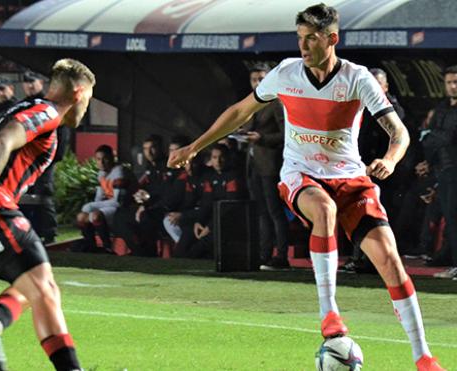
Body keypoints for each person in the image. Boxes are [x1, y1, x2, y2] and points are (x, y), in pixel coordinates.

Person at [167, 4, 444, 370]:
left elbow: (400, 132)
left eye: (311, 38)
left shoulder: (357, 78)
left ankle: (423, 357)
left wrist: (391, 160)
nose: (304, 45)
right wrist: (194, 147)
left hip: (351, 180)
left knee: (391, 263)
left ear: (332, 39)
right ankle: (329, 314)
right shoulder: (286, 73)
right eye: (300, 37)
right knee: (324, 211)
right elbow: (239, 112)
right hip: (302, 176)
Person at [0, 58, 95, 371]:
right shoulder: (47, 112)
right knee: (45, 289)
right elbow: (1, 142)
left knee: (32, 284)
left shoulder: (23, 111)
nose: (87, 106)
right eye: (90, 99)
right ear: (79, 93)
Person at [241, 63, 290, 269]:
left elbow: (286, 133)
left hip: (271, 164)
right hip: (253, 164)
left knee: (274, 212)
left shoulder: (276, 102)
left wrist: (262, 138)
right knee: (262, 211)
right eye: (254, 79)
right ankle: (264, 254)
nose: (258, 83)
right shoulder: (251, 102)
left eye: (262, 78)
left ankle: (281, 256)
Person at [19, 70, 70, 243]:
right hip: (26, 160)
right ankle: (26, 231)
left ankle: (49, 233)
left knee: (44, 194)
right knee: (22, 195)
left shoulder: (50, 105)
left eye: (33, 81)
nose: (30, 85)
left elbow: (62, 131)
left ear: (41, 82)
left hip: (45, 159)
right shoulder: (22, 105)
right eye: (26, 82)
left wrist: (55, 156)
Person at [420, 66, 457, 279]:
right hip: (442, 171)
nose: (453, 86)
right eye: (450, 82)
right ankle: (450, 260)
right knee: (449, 218)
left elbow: (447, 138)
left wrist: (433, 136)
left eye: (456, 82)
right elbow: (429, 138)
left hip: (454, 170)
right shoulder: (441, 108)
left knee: (454, 218)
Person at [75, 145, 131, 253]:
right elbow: (99, 198)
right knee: (81, 217)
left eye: (105, 159)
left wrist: (91, 207)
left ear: (112, 158)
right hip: (110, 206)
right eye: (98, 159)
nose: (101, 162)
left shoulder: (119, 172)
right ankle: (91, 246)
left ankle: (107, 247)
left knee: (95, 215)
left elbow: (118, 202)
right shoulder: (101, 173)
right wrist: (91, 208)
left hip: (123, 209)